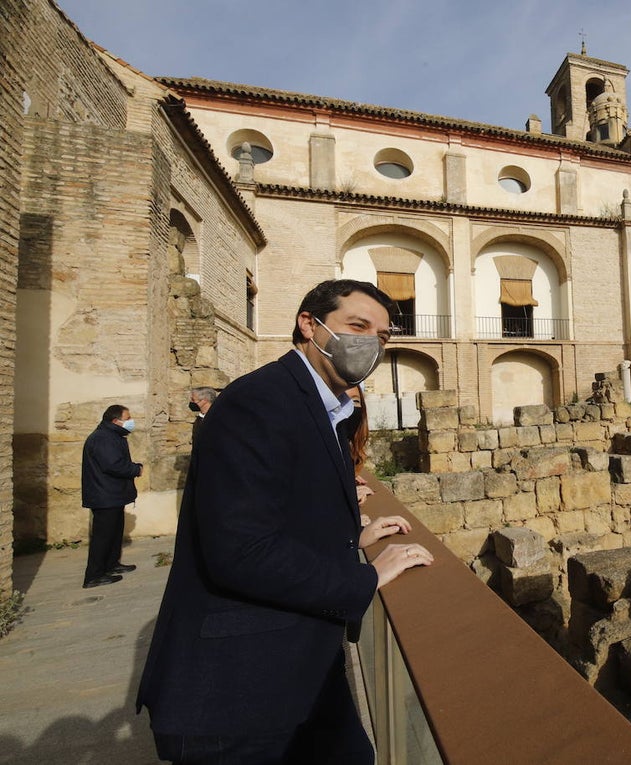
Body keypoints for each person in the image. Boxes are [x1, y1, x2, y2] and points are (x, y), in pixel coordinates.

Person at [136, 279, 434, 764]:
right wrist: (366, 575)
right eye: (357, 326)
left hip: (300, 667)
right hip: (240, 686)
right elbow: (240, 552)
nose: (371, 345)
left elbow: (280, 508)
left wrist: (353, 536)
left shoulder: (319, 406)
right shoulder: (260, 402)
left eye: (381, 336)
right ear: (309, 325)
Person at [81, 404, 143, 589]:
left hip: (112, 494)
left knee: (114, 533)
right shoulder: (103, 438)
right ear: (116, 421)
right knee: (103, 536)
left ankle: (111, 565)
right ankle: (94, 575)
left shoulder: (111, 435)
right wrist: (136, 469)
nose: (131, 421)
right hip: (104, 495)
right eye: (128, 417)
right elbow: (113, 465)